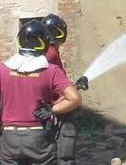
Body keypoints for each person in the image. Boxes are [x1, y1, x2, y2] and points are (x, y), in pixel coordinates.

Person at [0, 20, 82, 165]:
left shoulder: (2, 69)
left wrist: (0, 130)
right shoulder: (51, 70)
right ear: (43, 43)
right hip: (39, 137)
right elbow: (75, 99)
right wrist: (52, 110)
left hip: (10, 138)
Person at [41, 14, 77, 165]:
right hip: (56, 110)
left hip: (52, 107)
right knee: (64, 153)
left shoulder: (48, 51)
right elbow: (44, 79)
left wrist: (72, 85)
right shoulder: (51, 53)